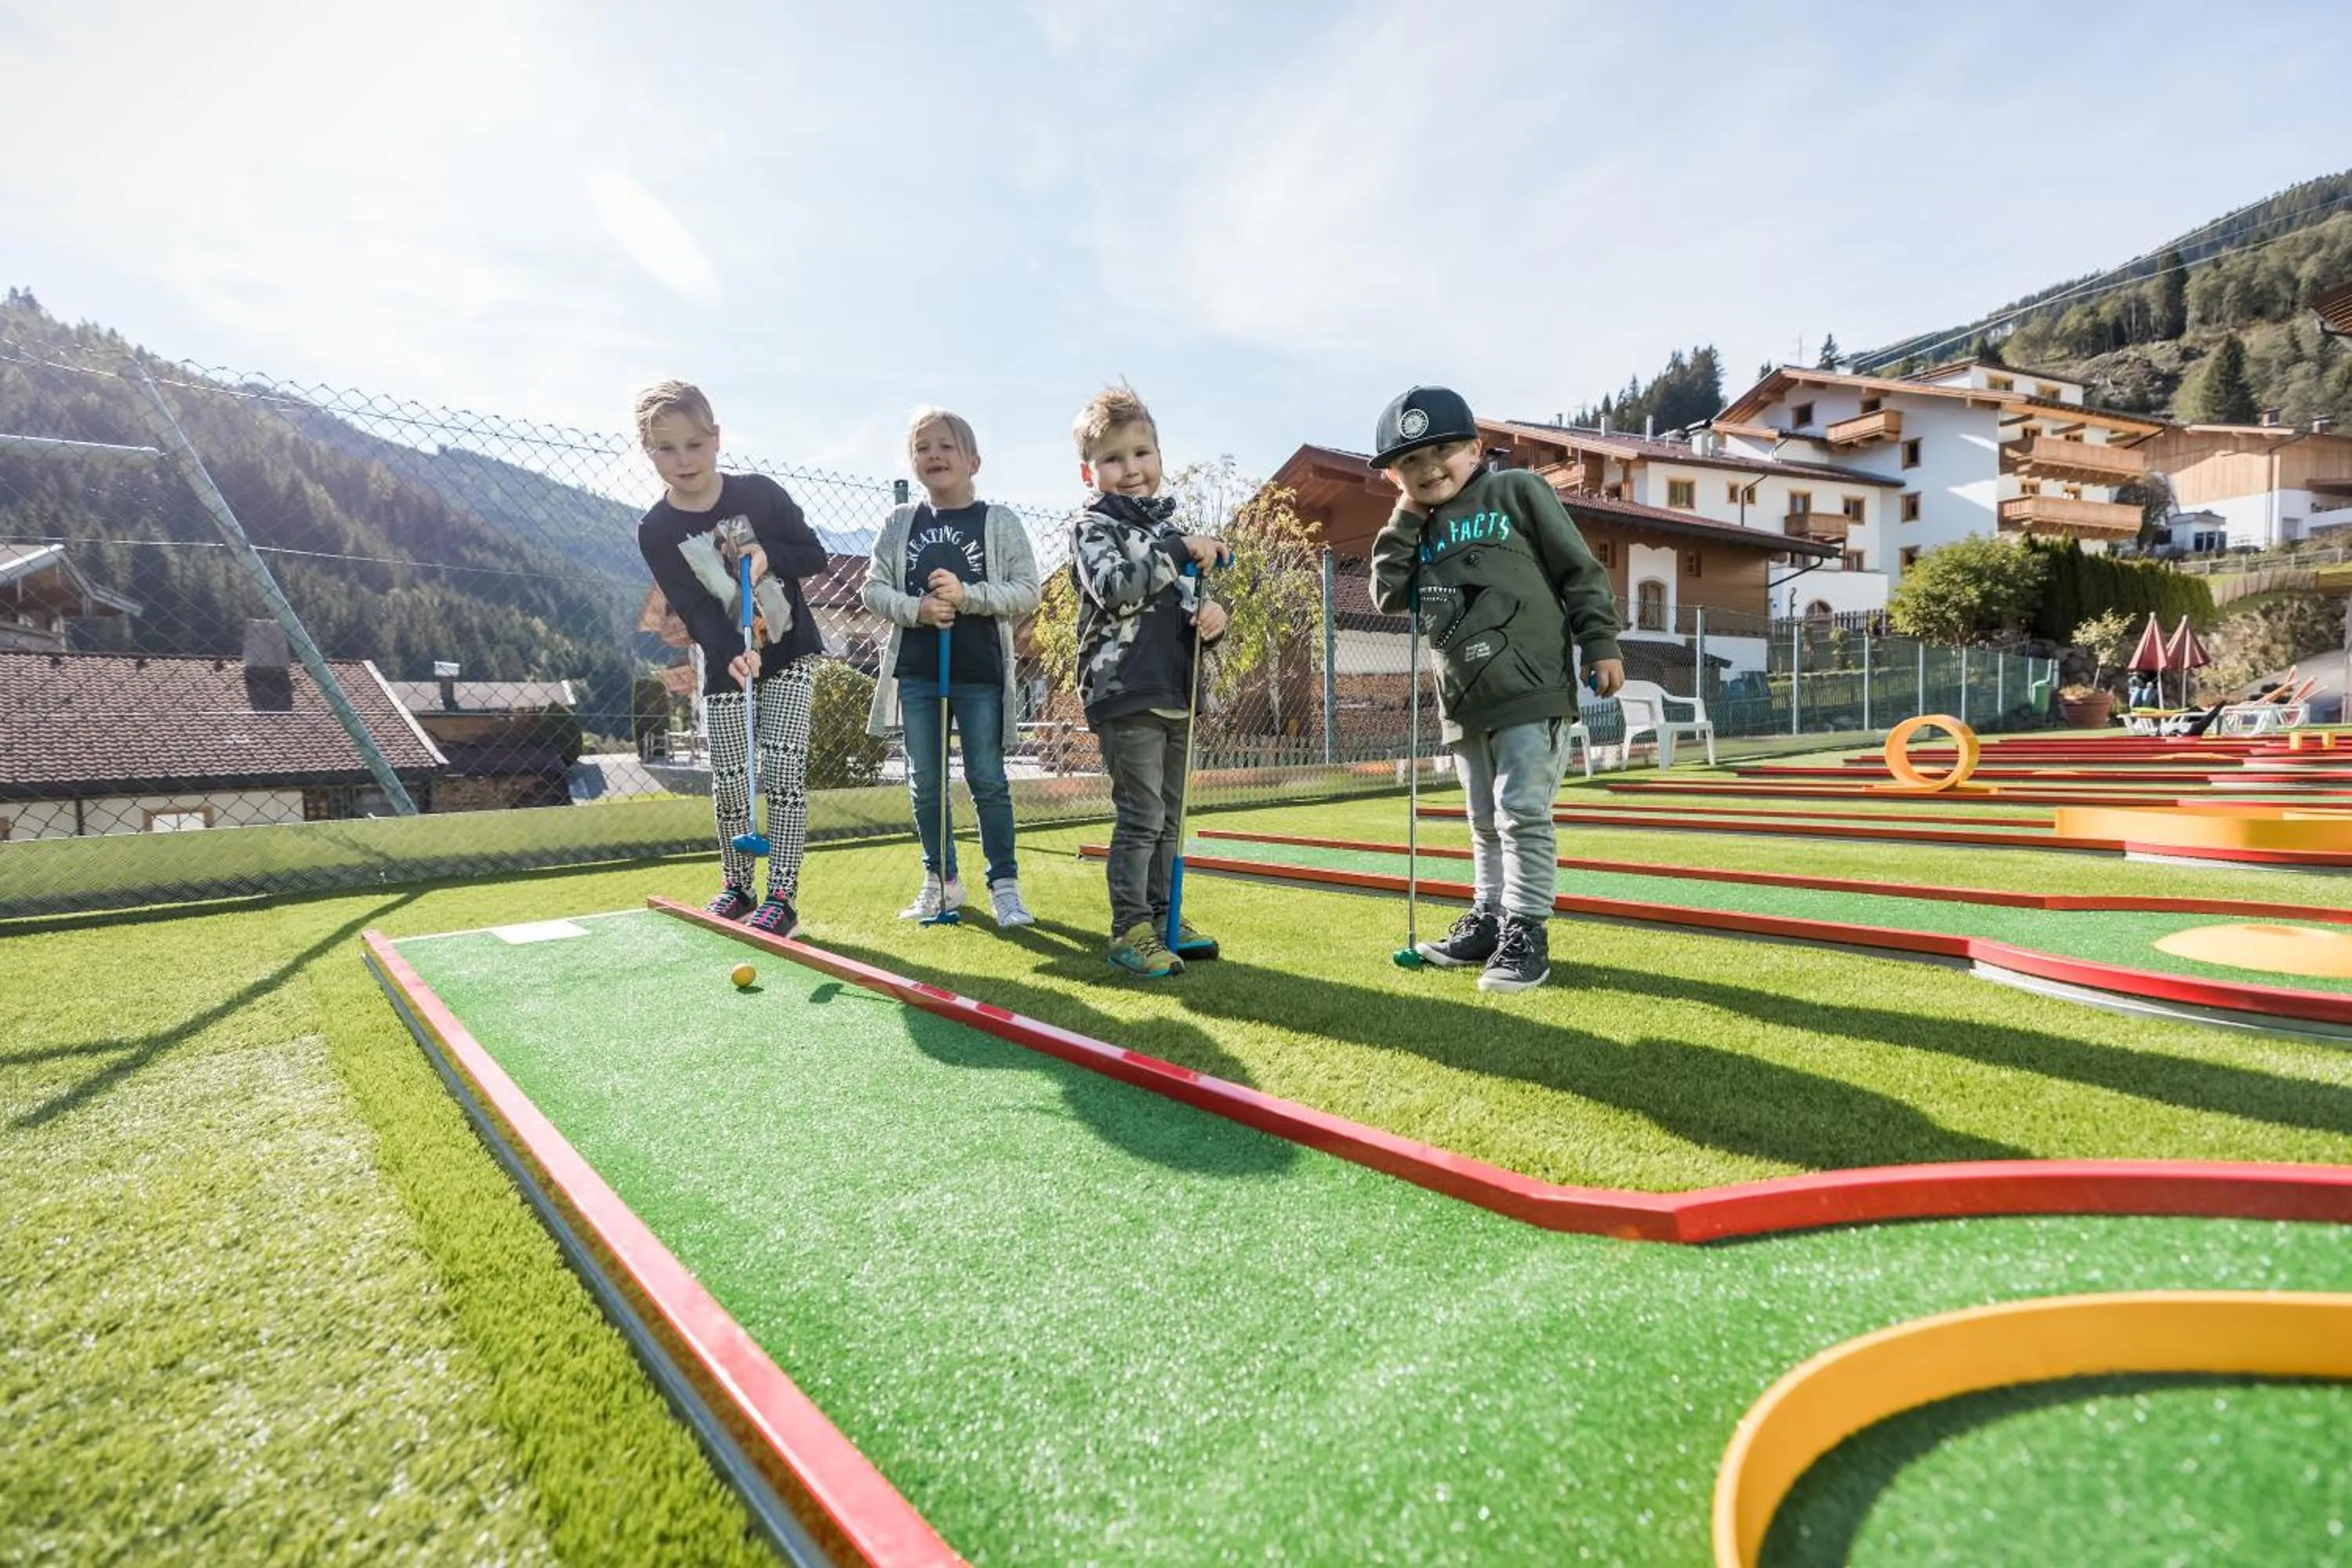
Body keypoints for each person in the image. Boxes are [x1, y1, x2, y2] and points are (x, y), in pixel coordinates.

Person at [1369, 386, 1624, 993]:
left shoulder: (1518, 491)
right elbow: (1385, 593)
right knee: (1483, 820)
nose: (1429, 469)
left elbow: (1576, 570)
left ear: (1476, 448)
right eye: (1410, 462)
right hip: (1463, 701)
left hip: (1530, 688)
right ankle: (1488, 919)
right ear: (1393, 477)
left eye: (1442, 452)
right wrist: (1406, 516)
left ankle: (1526, 930)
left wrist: (1600, 641)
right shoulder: (1416, 524)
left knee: (1522, 813)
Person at [634, 379, 828, 936]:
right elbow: (692, 604)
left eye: (694, 444)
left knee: (786, 768)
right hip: (723, 662)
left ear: (716, 438)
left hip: (790, 652)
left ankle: (783, 897)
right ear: (648, 452)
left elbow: (812, 553)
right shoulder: (656, 529)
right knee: (730, 778)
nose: (683, 460)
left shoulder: (759, 494)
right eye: (666, 449)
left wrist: (770, 554)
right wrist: (728, 651)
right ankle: (738, 887)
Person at [1066, 383, 1227, 978]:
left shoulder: (1167, 529)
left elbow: (1188, 607)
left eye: (1141, 454)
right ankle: (1129, 927)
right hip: (1124, 691)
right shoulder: (1093, 527)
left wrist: (1213, 622)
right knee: (1141, 816)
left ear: (1159, 457)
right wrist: (1176, 549)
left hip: (1175, 691)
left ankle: (1165, 916)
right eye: (1113, 459)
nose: (1130, 469)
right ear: (1090, 472)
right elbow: (1115, 589)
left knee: (1170, 816)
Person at [861, 407, 1043, 927]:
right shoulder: (901, 523)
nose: (934, 455)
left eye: (945, 446)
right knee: (925, 783)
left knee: (987, 779)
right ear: (913, 462)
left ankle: (1004, 886)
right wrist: (916, 609)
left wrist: (967, 597)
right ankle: (941, 883)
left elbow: (1026, 590)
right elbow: (873, 589)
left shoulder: (998, 522)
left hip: (978, 672)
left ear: (973, 461)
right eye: (923, 448)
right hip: (918, 672)